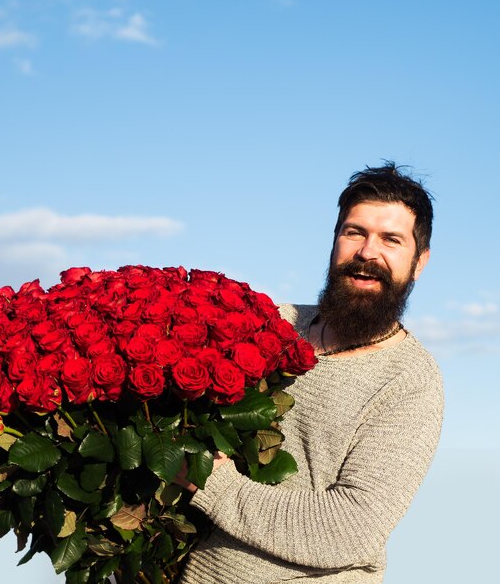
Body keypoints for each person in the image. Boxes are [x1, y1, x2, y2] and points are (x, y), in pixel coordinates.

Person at [177, 163, 444, 583]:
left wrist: (211, 484)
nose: (367, 252)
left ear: (420, 262)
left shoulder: (410, 381)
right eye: (354, 232)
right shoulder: (274, 322)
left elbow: (351, 528)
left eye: (391, 240)